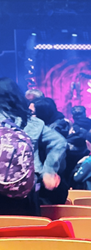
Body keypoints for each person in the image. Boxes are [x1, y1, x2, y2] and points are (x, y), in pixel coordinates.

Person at [0, 78, 68, 214]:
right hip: (25, 185)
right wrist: (48, 171)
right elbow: (59, 142)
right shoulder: (33, 123)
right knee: (26, 228)